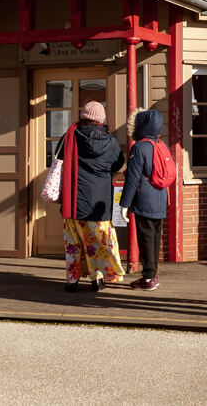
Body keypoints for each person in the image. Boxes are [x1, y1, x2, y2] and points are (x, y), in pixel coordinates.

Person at [58, 100, 125, 292]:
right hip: (99, 202)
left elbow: (58, 161)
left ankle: (72, 280)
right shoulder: (110, 141)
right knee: (97, 242)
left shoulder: (69, 136)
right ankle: (97, 278)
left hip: (73, 200)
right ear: (101, 120)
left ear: (83, 116)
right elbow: (118, 164)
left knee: (73, 243)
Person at [118, 108, 168, 291]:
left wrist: (124, 204)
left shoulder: (138, 148)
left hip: (144, 200)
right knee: (155, 239)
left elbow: (132, 179)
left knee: (145, 239)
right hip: (160, 199)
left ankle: (148, 278)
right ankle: (152, 275)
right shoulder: (163, 145)